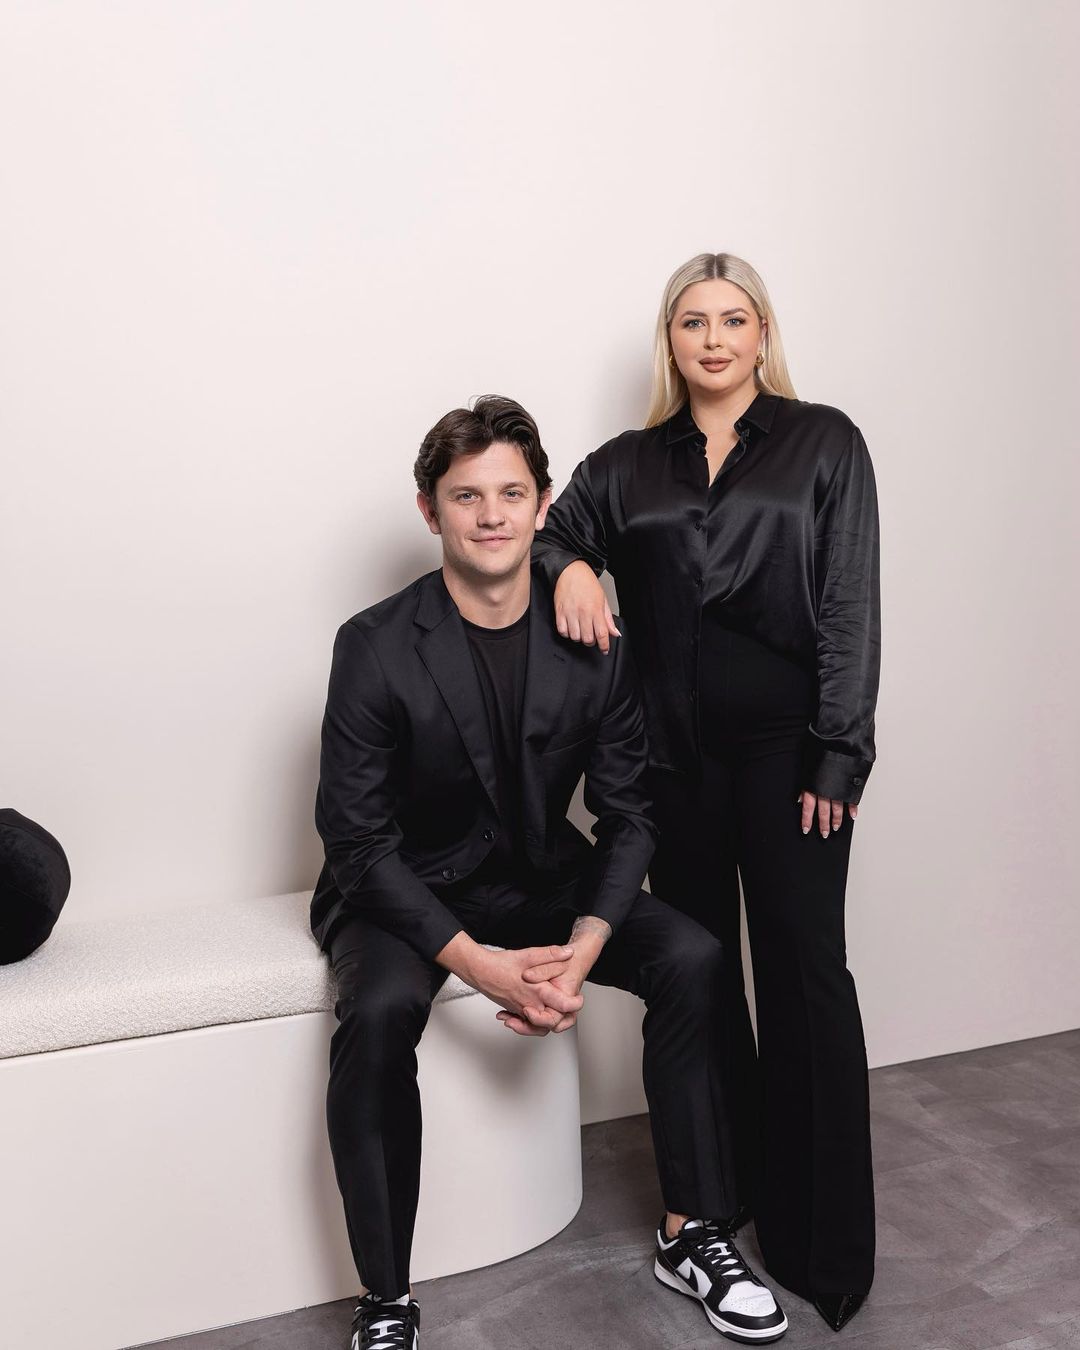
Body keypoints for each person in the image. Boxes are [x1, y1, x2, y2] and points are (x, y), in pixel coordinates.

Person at [312, 395, 789, 1348]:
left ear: (541, 505)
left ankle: (692, 1229)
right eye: (466, 496)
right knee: (378, 1012)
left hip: (538, 878)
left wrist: (584, 947)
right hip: (405, 887)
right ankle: (386, 1297)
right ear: (430, 511)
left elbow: (629, 812)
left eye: (510, 494)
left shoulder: (593, 641)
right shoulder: (373, 644)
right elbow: (357, 842)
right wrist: (478, 964)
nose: (490, 515)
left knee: (692, 958)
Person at [531, 254, 880, 1333]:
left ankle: (824, 1243)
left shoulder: (825, 441)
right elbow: (551, 532)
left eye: (734, 319)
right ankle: (717, 1212)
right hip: (668, 761)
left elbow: (849, 600)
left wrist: (840, 753)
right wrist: (571, 567)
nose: (714, 339)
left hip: (790, 755)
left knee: (805, 973)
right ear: (670, 340)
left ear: (763, 333)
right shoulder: (627, 464)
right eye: (694, 321)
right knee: (703, 979)